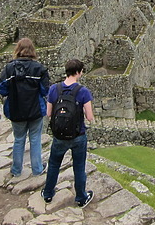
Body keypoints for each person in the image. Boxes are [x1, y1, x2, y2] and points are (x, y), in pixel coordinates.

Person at [41, 58, 94, 207]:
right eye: (81, 71)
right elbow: (89, 117)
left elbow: (49, 113)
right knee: (79, 166)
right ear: (78, 72)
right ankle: (81, 198)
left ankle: (48, 194)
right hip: (78, 135)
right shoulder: (83, 92)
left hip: (59, 136)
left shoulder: (54, 89)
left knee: (53, 164)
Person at [0, 38, 50, 177]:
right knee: (35, 139)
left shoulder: (9, 68)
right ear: (32, 50)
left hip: (16, 109)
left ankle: (16, 170)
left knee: (19, 139)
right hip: (35, 109)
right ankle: (37, 169)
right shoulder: (39, 68)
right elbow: (45, 90)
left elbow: (2, 89)